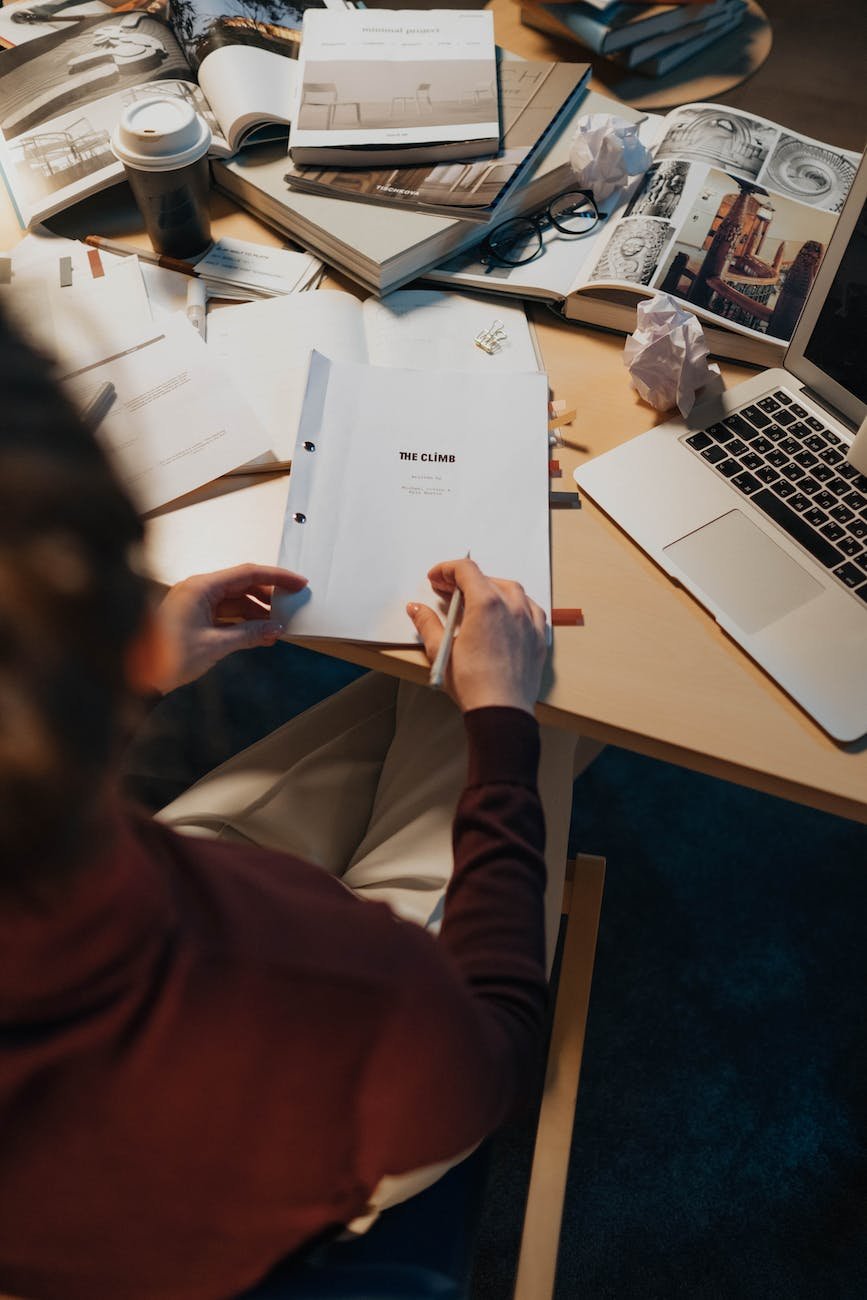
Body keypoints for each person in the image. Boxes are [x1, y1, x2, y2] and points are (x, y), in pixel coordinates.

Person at [0, 305, 577, 1300]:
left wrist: (130, 688)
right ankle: (506, 705)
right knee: (528, 694)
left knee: (422, 699)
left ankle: (470, 694)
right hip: (296, 1130)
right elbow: (494, 1055)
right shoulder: (351, 993)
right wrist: (503, 726)